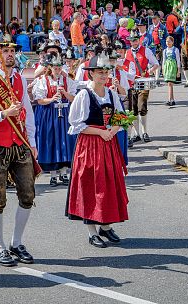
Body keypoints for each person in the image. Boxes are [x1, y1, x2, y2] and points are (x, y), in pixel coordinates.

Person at [0, 42, 38, 267]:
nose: (10, 55)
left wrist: (32, 142)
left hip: (20, 143)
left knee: (28, 194)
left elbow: (28, 113)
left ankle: (16, 242)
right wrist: (4, 113)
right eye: (5, 51)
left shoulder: (20, 79)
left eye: (12, 51)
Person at [66, 51, 129, 248]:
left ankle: (106, 226)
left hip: (108, 144)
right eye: (99, 72)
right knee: (92, 185)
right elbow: (75, 123)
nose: (103, 75)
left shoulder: (111, 93)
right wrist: (101, 132)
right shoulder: (84, 95)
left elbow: (121, 116)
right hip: (90, 145)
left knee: (109, 184)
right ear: (90, 74)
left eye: (105, 72)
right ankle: (92, 231)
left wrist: (113, 130)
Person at [33, 55, 77, 186]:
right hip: (49, 114)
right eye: (55, 68)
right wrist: (52, 99)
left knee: (64, 142)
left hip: (64, 113)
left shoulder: (67, 80)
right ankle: (53, 175)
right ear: (50, 68)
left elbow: (73, 99)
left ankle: (63, 173)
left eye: (59, 68)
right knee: (51, 141)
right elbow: (40, 100)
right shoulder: (43, 80)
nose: (57, 71)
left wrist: (64, 93)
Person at [124, 33, 159, 146]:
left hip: (144, 82)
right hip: (132, 83)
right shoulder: (127, 53)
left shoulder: (146, 50)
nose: (133, 43)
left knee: (142, 106)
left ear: (139, 40)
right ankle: (137, 134)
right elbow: (125, 68)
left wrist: (148, 72)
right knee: (133, 109)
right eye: (131, 41)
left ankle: (145, 132)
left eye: (135, 40)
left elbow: (156, 64)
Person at [148, 14, 168, 84]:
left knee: (158, 61)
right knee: (152, 62)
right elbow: (148, 36)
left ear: (158, 19)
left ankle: (157, 78)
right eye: (152, 19)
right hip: (151, 46)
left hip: (159, 46)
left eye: (155, 18)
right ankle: (155, 76)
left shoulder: (162, 27)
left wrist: (166, 46)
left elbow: (167, 37)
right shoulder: (150, 27)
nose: (153, 20)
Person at [162, 36, 181, 106]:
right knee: (169, 84)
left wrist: (178, 70)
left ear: (172, 42)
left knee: (170, 83)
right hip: (167, 67)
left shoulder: (175, 50)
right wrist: (163, 69)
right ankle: (172, 100)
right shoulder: (165, 50)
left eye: (169, 41)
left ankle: (170, 100)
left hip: (173, 67)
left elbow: (178, 60)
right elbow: (163, 60)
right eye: (167, 41)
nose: (168, 43)